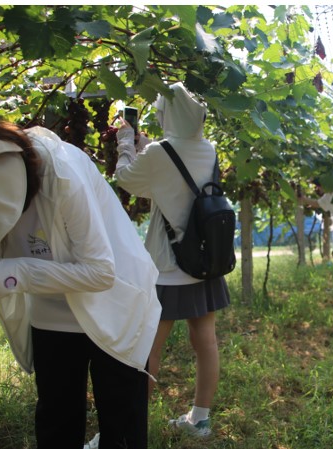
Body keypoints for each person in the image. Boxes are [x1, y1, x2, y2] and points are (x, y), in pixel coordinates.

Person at [0, 105, 161, 449]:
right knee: (57, 421)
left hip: (114, 303)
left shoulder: (62, 172)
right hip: (51, 314)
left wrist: (10, 273)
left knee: (121, 427)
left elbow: (100, 273)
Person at [114, 82, 230, 438]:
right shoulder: (207, 149)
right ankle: (201, 420)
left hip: (168, 268)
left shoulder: (160, 152)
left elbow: (127, 180)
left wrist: (125, 143)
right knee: (205, 341)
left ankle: (125, 431)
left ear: (168, 114)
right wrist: (151, 149)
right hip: (204, 260)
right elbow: (173, 183)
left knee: (146, 350)